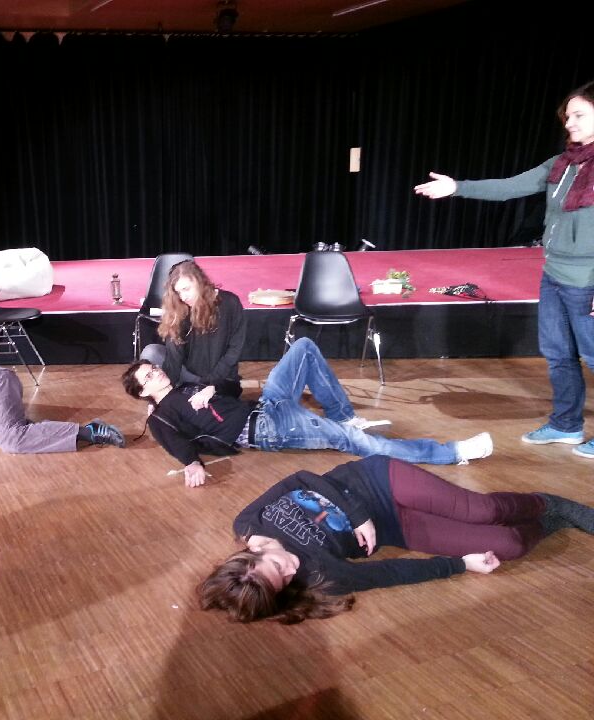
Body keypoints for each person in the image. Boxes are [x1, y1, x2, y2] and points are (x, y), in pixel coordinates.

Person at [414, 80, 594, 459]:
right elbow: (511, 186)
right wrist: (457, 187)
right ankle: (566, 425)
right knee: (558, 354)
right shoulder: (562, 164)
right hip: (555, 275)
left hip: (588, 282)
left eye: (579, 115)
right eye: (567, 116)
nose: (569, 124)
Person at [197, 455, 594, 624]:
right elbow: (389, 573)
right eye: (283, 582)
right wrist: (460, 565)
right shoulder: (319, 575)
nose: (290, 569)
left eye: (276, 566)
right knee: (509, 546)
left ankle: (547, 502)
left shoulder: (248, 522)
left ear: (251, 554)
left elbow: (300, 478)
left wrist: (357, 515)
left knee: (483, 510)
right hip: (395, 528)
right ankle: (552, 521)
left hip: (375, 481)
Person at [122, 337, 492, 487]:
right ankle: (452, 452)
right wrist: (193, 465)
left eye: (153, 368)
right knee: (355, 442)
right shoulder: (160, 417)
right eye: (148, 377)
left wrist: (211, 387)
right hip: (267, 429)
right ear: (143, 393)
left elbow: (229, 388)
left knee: (303, 347)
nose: (156, 373)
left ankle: (342, 413)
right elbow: (178, 446)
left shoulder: (184, 387)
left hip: (266, 406)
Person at [139, 260, 246, 400]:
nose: (183, 297)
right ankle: (183, 392)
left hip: (221, 379)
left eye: (186, 289)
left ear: (200, 281)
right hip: (190, 377)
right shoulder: (179, 309)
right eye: (178, 292)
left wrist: (212, 383)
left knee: (212, 400)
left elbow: (234, 351)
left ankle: (196, 392)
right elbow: (174, 358)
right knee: (151, 352)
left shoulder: (231, 302)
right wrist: (161, 397)